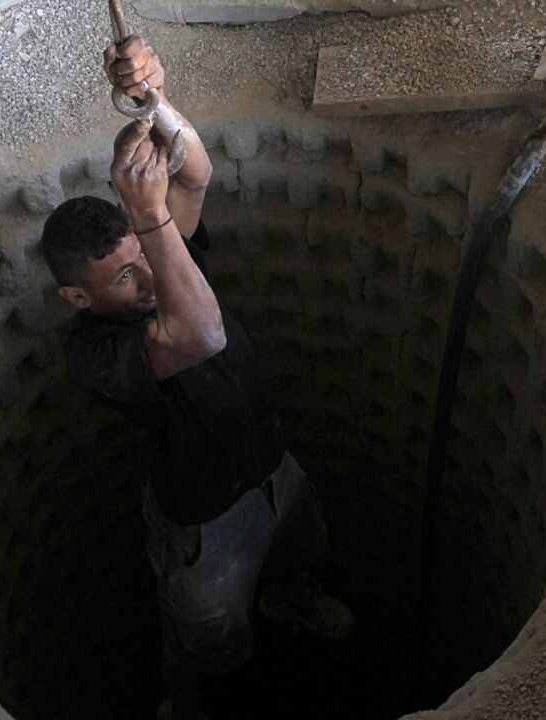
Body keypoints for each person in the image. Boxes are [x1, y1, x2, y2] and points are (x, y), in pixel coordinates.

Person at [41, 36, 353, 720]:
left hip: (272, 469)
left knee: (305, 544)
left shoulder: (158, 260)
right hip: (205, 521)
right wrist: (150, 219)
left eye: (141, 256)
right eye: (124, 276)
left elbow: (197, 176)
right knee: (205, 637)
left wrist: (156, 103)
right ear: (79, 297)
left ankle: (288, 597)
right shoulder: (94, 352)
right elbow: (199, 336)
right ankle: (185, 705)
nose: (150, 277)